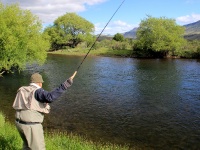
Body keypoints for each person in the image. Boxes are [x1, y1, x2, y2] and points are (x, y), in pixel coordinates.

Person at [12, 71, 77, 150]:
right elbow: (50, 97)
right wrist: (65, 85)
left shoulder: (22, 89)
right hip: (31, 125)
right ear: (39, 83)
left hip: (19, 123)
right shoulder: (38, 91)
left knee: (27, 147)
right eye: (41, 83)